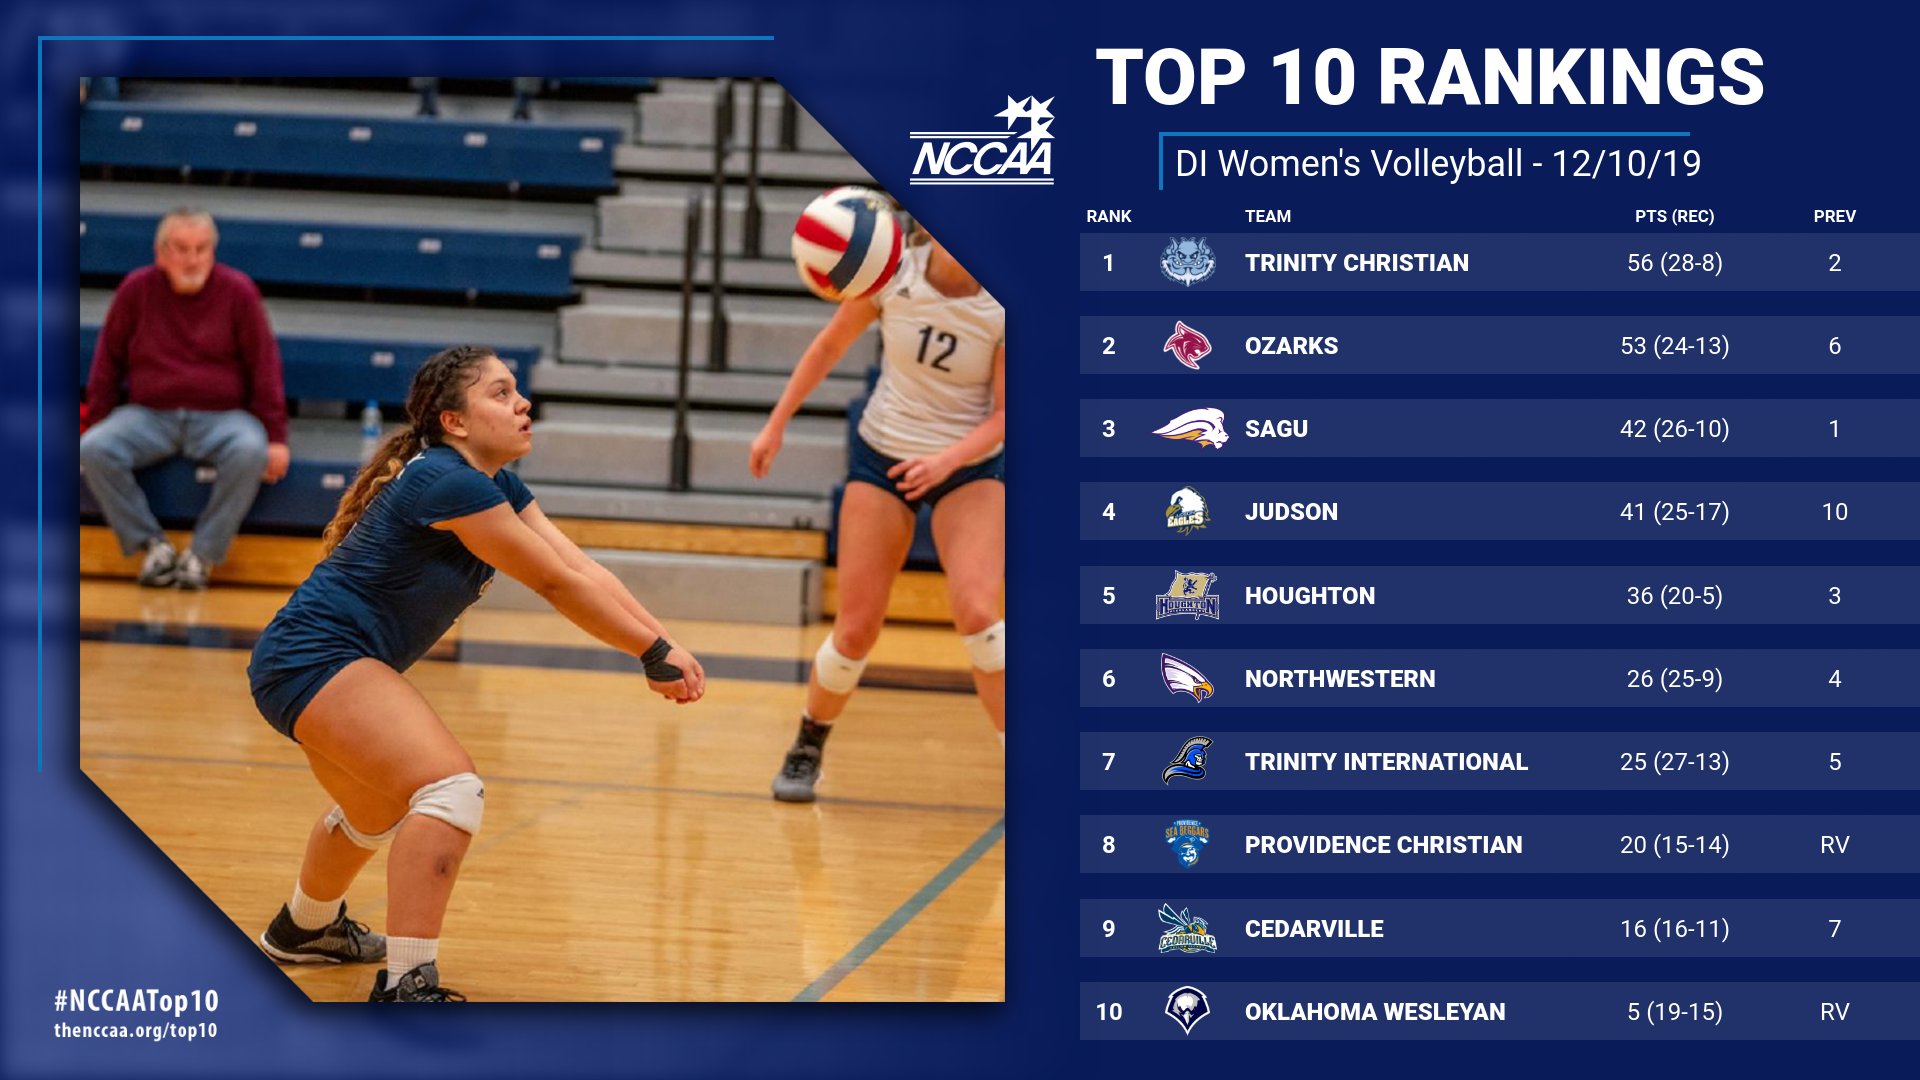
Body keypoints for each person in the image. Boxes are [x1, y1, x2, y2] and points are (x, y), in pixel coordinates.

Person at [246, 345, 707, 1002]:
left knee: (376, 809)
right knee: (450, 791)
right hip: (313, 656)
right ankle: (408, 984)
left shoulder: (491, 484)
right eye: (500, 392)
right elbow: (553, 583)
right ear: (454, 421)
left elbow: (579, 568)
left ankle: (304, 928)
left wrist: (663, 642)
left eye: (517, 390)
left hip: (305, 660)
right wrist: (648, 650)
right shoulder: (448, 481)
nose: (522, 403)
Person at [750, 230, 1005, 802]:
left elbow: (1006, 415)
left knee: (979, 618)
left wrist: (946, 461)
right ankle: (808, 744)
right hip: (884, 454)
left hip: (967, 463)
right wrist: (775, 424)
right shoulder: (890, 271)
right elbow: (828, 346)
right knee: (856, 628)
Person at [80, 207, 289, 590]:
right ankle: (152, 547)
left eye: (201, 249)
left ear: (213, 251)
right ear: (161, 253)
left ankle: (202, 555)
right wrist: (97, 420)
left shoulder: (239, 291)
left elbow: (265, 366)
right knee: (94, 447)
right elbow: (106, 363)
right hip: (149, 415)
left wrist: (276, 437)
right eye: (182, 249)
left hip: (222, 417)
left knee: (250, 449)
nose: (192, 259)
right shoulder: (136, 289)